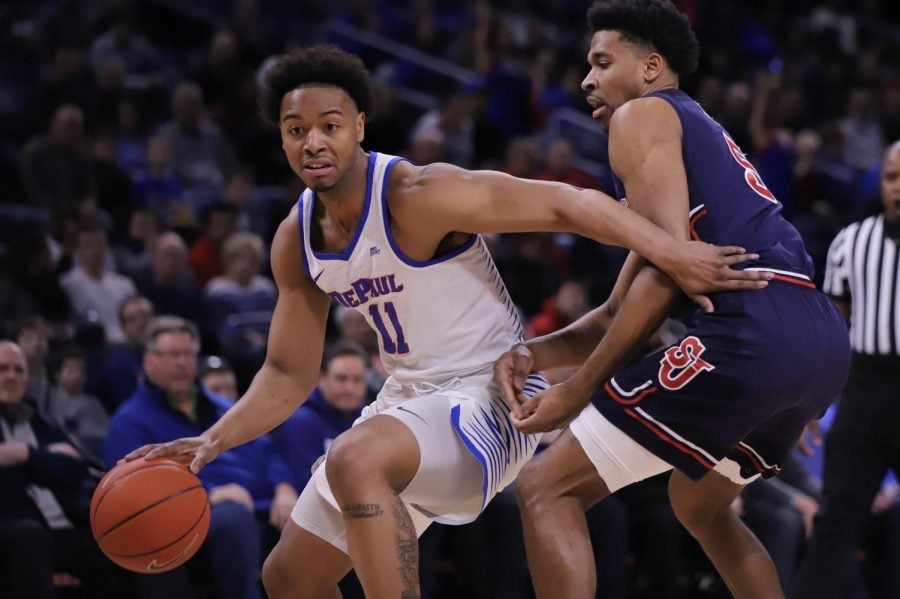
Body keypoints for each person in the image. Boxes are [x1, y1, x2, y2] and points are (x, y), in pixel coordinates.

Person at [123, 44, 770, 599]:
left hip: (489, 395)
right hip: (408, 402)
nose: (313, 141)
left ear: (359, 126)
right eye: (296, 130)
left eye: (329, 124)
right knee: (287, 578)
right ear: (282, 138)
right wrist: (213, 440)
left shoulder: (415, 194)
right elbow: (289, 373)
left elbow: (567, 203)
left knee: (355, 456)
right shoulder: (297, 238)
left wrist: (672, 250)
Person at [492, 2, 851, 598]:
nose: (586, 79)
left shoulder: (641, 117)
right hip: (814, 340)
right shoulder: (695, 133)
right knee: (699, 505)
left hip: (754, 329)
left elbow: (668, 272)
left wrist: (576, 392)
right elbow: (618, 308)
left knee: (545, 487)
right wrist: (535, 352)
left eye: (603, 62)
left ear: (652, 67)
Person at [103, 316, 298, 599]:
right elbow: (130, 490)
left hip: (264, 508)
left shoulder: (225, 408)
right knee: (233, 519)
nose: (181, 363)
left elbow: (268, 451)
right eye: (171, 355)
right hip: (197, 519)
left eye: (187, 355)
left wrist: (284, 487)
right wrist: (208, 495)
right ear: (148, 361)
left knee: (320, 515)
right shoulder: (129, 421)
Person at [793, 140, 900, 598]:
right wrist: (806, 403)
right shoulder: (851, 242)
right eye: (892, 177)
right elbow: (830, 331)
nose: (899, 188)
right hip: (865, 392)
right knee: (835, 521)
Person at [0, 340, 113, 599]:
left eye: (19, 370)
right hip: (16, 531)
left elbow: (73, 470)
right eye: (2, 368)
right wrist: (46, 461)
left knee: (135, 535)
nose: (11, 376)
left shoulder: (40, 421)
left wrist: (24, 455)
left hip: (65, 526)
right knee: (29, 537)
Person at [271, 341, 370, 491]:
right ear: (321, 379)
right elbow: (307, 485)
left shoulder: (372, 421)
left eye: (357, 380)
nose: (349, 388)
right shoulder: (302, 422)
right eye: (341, 379)